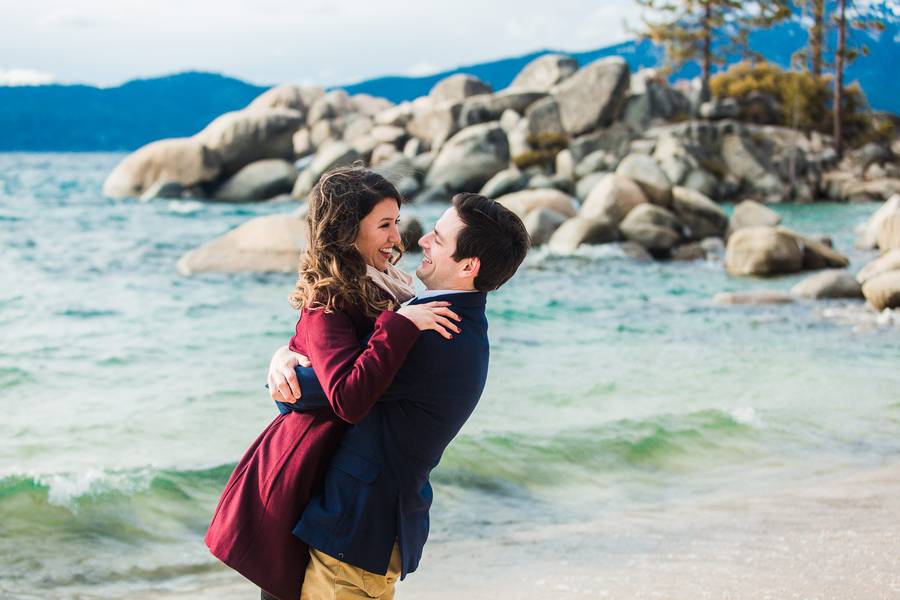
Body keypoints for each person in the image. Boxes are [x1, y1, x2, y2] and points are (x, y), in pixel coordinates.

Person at [205, 166, 461, 600]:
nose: (397, 239)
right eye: (383, 225)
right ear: (346, 231)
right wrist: (286, 356)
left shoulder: (389, 286)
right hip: (301, 478)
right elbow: (347, 394)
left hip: (341, 484)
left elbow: (326, 358)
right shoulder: (329, 300)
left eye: (396, 223)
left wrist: (285, 352)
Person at [269, 192, 530, 600]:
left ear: (468, 266)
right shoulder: (444, 318)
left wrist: (282, 370)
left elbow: (307, 393)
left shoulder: (433, 337)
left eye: (439, 239)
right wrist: (287, 351)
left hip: (354, 533)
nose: (422, 240)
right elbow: (347, 358)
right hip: (368, 530)